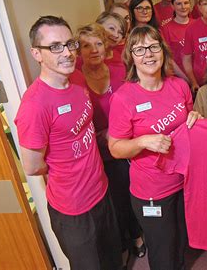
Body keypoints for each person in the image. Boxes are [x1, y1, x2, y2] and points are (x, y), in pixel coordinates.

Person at [14, 16, 121, 270]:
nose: (67, 53)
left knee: (114, 260)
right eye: (55, 47)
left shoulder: (77, 80)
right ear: (36, 54)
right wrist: (67, 167)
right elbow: (32, 166)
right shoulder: (34, 106)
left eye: (69, 44)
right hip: (73, 210)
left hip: (102, 191)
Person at [108, 25, 201, 270]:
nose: (148, 54)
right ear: (131, 57)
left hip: (183, 181)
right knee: (162, 250)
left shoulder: (178, 86)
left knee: (181, 240)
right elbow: (115, 148)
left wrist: (195, 118)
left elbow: (189, 119)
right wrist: (143, 141)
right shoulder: (123, 98)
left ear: (163, 50)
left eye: (153, 46)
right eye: (139, 49)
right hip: (152, 190)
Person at [76, 23, 146, 265]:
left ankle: (136, 235)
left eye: (98, 43)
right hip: (91, 152)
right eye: (86, 45)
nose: (93, 50)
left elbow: (134, 103)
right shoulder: (74, 78)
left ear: (105, 45)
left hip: (122, 146)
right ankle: (121, 243)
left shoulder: (119, 69)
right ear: (78, 50)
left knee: (126, 192)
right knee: (108, 203)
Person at [160, 0, 193, 81]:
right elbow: (168, 57)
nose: (183, 7)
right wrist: (187, 79)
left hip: (200, 76)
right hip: (180, 78)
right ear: (172, 6)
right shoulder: (166, 29)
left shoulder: (197, 24)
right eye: (178, 4)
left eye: (186, 3)